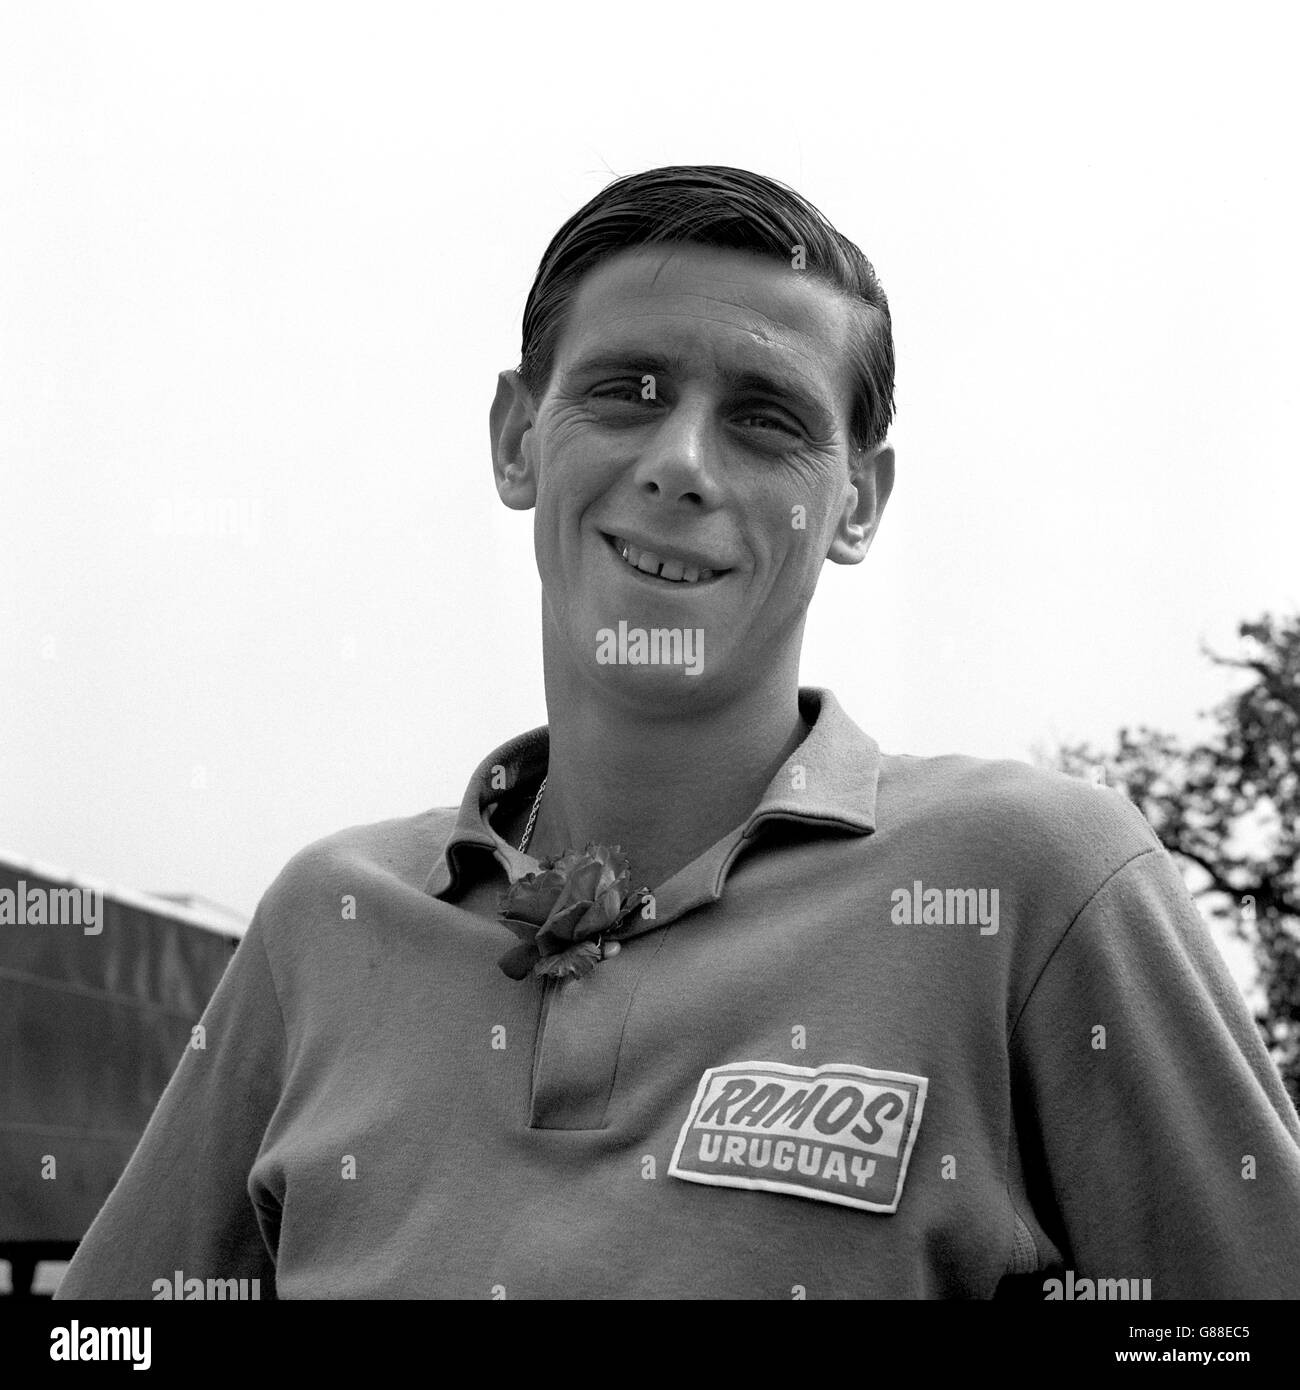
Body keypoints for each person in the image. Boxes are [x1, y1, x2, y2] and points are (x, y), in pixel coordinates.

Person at [56, 166, 1300, 1300]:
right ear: (515, 438)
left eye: (766, 418)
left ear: (855, 502)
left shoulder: (1035, 880)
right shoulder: (323, 921)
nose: (681, 461)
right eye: (623, 391)